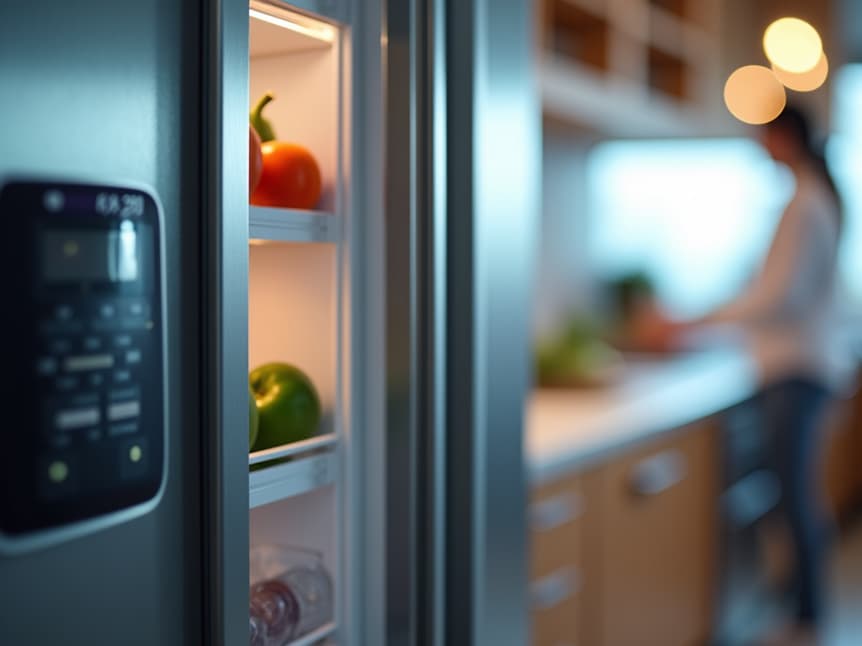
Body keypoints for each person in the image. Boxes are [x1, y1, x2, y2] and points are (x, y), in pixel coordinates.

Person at [640, 105, 850, 644]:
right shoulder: (810, 199)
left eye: (761, 138)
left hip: (796, 369)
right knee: (794, 493)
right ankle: (801, 606)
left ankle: (805, 616)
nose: (758, 148)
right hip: (801, 367)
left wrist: (693, 322)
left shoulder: (804, 205)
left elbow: (777, 298)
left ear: (781, 138)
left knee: (795, 497)